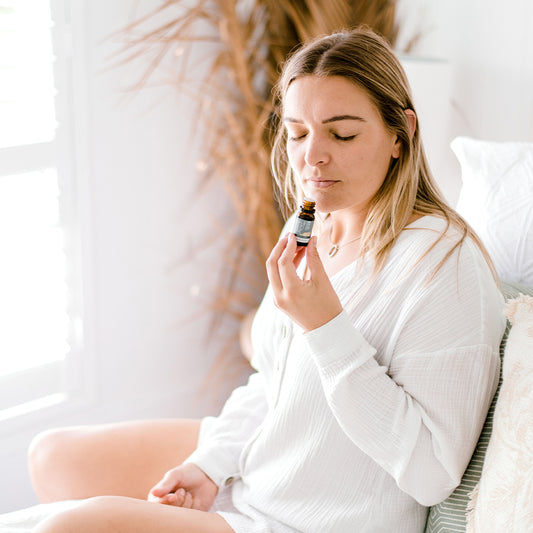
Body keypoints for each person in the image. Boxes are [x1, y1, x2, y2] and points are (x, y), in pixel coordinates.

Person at [24, 27, 505, 532]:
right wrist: (211, 464)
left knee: (68, 526)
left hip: (304, 523)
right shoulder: (312, 224)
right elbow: (273, 385)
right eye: (297, 133)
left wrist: (327, 329)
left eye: (342, 134)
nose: (312, 157)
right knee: (51, 456)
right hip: (261, 472)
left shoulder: (444, 265)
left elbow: (432, 474)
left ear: (400, 135)